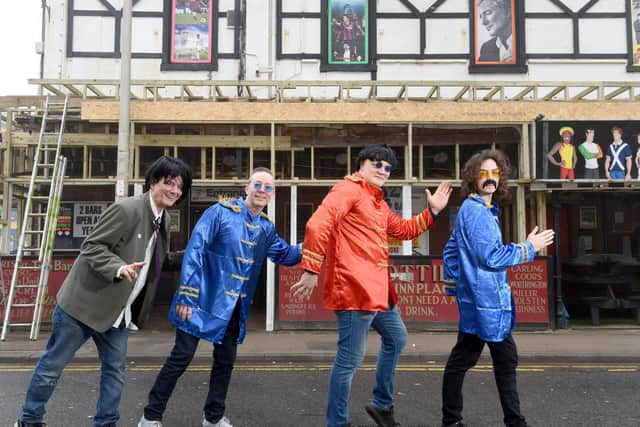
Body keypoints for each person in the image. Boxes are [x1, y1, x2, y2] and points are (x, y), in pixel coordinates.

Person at [14, 156, 193, 427]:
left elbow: (157, 261)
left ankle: (106, 422)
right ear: (153, 182)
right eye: (169, 183)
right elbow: (92, 246)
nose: (174, 191)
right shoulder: (128, 209)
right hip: (82, 306)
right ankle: (29, 420)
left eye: (179, 187)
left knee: (115, 372)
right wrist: (119, 268)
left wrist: (193, 255)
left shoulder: (163, 220)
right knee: (52, 368)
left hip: (117, 314)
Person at [291, 144, 453, 427]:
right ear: (361, 165)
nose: (383, 170)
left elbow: (404, 230)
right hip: (354, 289)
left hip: (376, 291)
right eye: (377, 164)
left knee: (397, 338)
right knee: (349, 360)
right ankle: (337, 422)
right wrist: (311, 268)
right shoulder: (348, 190)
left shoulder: (377, 201)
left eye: (388, 167)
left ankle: (381, 404)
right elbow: (318, 224)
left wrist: (433, 212)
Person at [138, 167, 302, 427]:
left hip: (233, 309)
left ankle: (213, 418)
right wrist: (187, 296)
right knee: (180, 358)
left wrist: (320, 242)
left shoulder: (266, 228)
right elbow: (195, 251)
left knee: (225, 364)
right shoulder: (219, 212)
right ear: (247, 188)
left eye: (268, 187)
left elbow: (287, 255)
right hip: (200, 299)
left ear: (272, 195)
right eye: (257, 185)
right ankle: (150, 416)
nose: (262, 190)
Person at [440, 149, 554, 427]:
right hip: (487, 305)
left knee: (465, 360)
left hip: (482, 302)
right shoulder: (477, 212)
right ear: (472, 178)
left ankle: (453, 420)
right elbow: (490, 258)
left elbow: (451, 251)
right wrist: (529, 248)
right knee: (499, 361)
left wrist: (459, 288)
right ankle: (512, 422)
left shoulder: (479, 209)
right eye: (483, 174)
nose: (489, 179)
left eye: (494, 173)